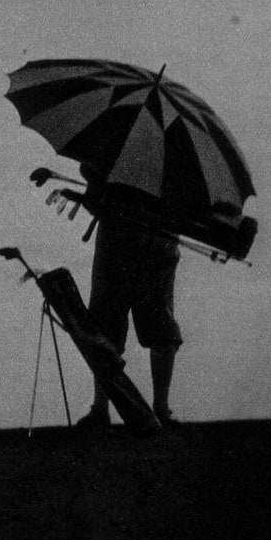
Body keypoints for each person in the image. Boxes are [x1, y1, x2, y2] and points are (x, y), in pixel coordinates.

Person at [76, 166, 183, 428]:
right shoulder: (176, 156)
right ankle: (161, 409)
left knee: (106, 328)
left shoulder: (111, 148)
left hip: (124, 248)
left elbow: (96, 200)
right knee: (158, 327)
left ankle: (103, 407)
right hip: (158, 246)